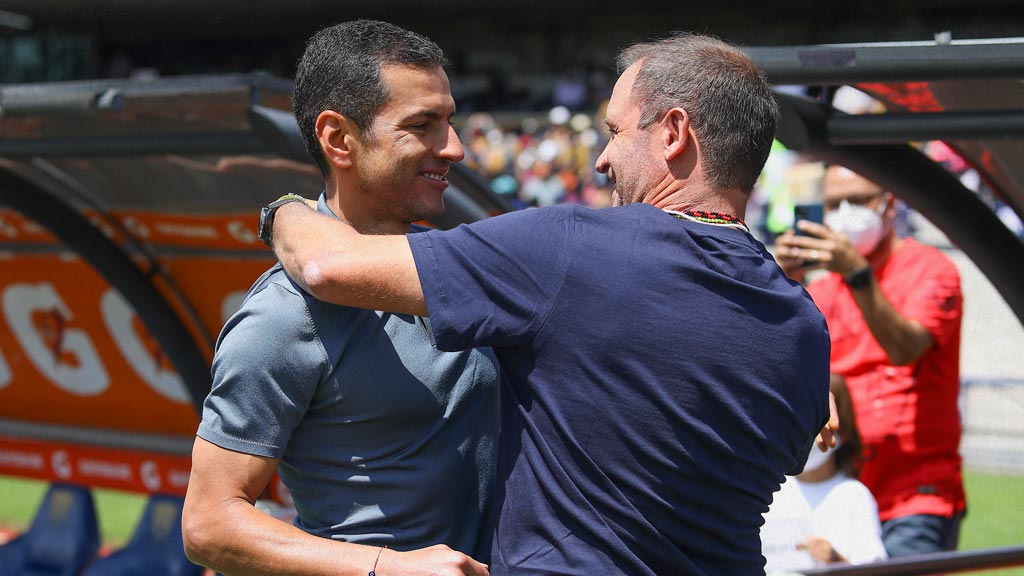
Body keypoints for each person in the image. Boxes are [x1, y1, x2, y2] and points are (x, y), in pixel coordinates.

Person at [267, 32, 832, 575]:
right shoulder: (803, 327)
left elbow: (326, 266)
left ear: (673, 132)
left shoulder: (573, 250)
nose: (603, 160)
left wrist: (284, 207)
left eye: (614, 131)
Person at [181, 20, 496, 576]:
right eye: (422, 125)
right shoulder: (282, 316)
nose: (455, 148)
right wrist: (387, 567)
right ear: (338, 140)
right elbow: (209, 525)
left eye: (450, 121)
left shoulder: (468, 262)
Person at [774, 165, 966, 557]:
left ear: (889, 205)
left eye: (859, 200)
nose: (846, 213)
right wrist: (778, 283)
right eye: (833, 204)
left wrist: (858, 275)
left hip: (914, 494)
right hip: (839, 490)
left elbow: (905, 348)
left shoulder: (932, 269)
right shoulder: (823, 287)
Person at [761, 374, 888, 573]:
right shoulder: (768, 490)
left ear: (842, 430)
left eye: (821, 425)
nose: (810, 434)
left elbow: (875, 569)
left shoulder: (854, 496)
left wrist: (836, 561)